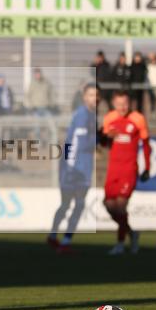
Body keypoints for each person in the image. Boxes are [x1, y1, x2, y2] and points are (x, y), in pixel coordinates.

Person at [48, 84, 97, 255]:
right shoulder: (83, 115)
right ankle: (63, 240)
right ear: (85, 96)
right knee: (76, 204)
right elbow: (76, 143)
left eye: (96, 95)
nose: (94, 98)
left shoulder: (90, 115)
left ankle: (54, 236)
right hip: (76, 168)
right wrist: (69, 167)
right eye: (91, 94)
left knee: (69, 204)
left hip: (80, 166)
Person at [101, 90, 150, 256]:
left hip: (129, 169)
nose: (122, 107)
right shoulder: (109, 118)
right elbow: (104, 143)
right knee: (108, 205)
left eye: (125, 103)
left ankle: (120, 244)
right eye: (119, 104)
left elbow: (146, 144)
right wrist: (106, 136)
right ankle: (132, 233)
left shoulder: (138, 119)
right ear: (114, 104)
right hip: (113, 169)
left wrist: (147, 167)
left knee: (121, 205)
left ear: (129, 103)